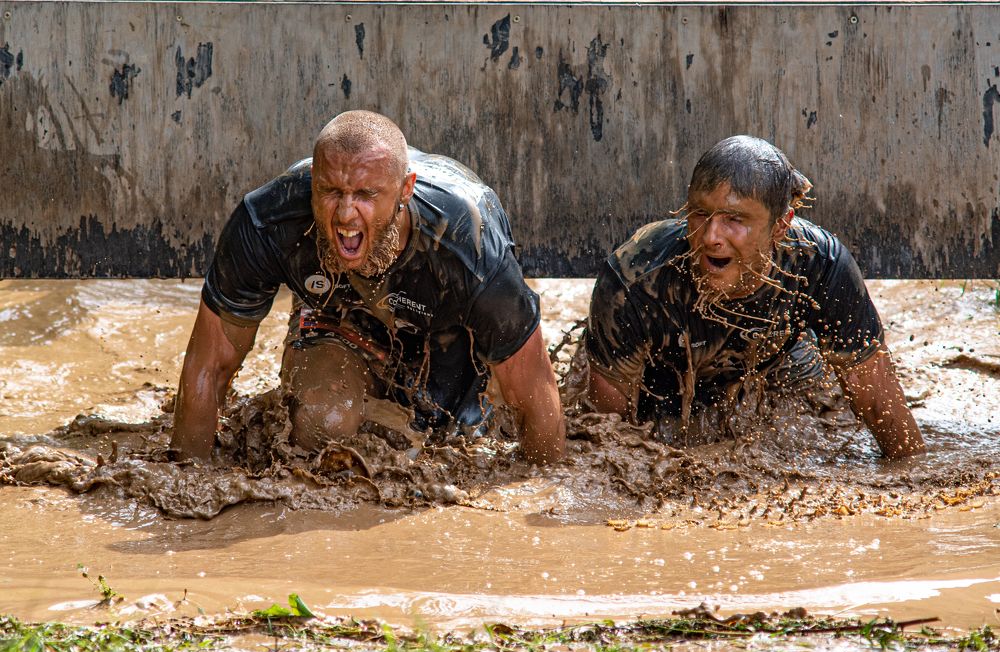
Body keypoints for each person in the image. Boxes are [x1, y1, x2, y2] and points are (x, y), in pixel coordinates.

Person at [171, 111, 565, 464]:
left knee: (457, 436)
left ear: (405, 190)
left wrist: (542, 518)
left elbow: (534, 393)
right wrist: (187, 485)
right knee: (322, 421)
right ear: (313, 183)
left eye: (365, 195)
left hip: (450, 328)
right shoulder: (266, 223)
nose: (345, 214)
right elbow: (209, 367)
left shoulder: (467, 246)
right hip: (339, 317)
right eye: (331, 192)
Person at [585, 135, 925, 459]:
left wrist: (914, 478)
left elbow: (880, 402)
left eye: (735, 219)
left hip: (778, 371)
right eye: (700, 213)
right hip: (661, 388)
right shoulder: (635, 277)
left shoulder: (821, 265)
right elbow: (607, 436)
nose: (711, 236)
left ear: (781, 226)